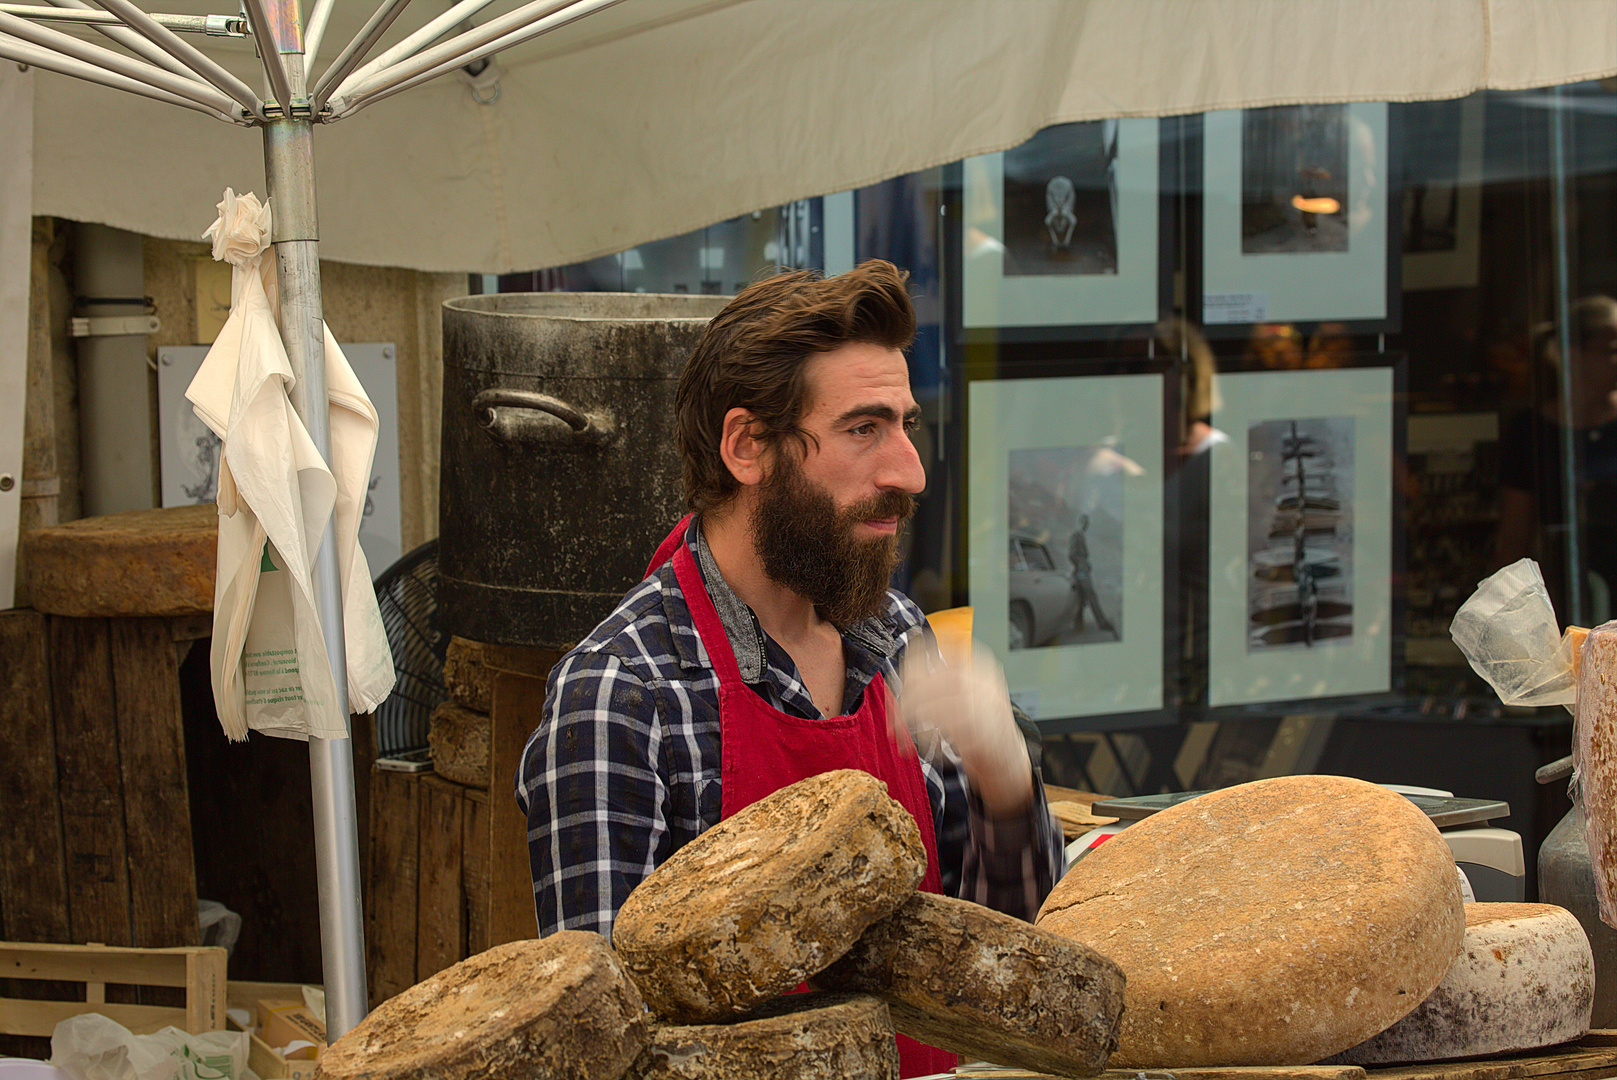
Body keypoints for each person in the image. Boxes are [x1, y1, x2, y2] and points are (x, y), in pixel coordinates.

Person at [515, 260, 1064, 1077]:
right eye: (862, 429)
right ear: (746, 447)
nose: (908, 472)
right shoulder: (622, 699)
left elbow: (1015, 981)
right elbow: (604, 1053)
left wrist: (1005, 784)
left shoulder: (899, 636)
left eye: (907, 426)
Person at [1496, 296, 1617, 624]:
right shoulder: (1532, 433)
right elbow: (1514, 537)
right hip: (1567, 599)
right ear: (1573, 356)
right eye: (1612, 350)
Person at [1067, 515, 1118, 639]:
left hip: (1082, 571)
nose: (1085, 525)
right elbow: (1071, 554)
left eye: (1087, 523)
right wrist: (1082, 564)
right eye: (1083, 523)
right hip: (1081, 573)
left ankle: (1077, 625)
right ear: (1079, 522)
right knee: (1091, 596)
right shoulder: (1076, 535)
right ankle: (1102, 623)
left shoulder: (1081, 536)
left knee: (1081, 599)